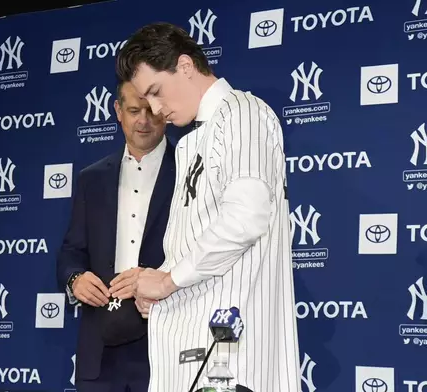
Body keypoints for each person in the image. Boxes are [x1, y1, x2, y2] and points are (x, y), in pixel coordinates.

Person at [115, 22, 301, 392]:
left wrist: (168, 282)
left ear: (185, 66)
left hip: (233, 351)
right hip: (192, 347)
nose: (153, 109)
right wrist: (165, 296)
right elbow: (195, 248)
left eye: (155, 92)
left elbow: (245, 218)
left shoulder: (242, 112)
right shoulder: (189, 143)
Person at [56, 78, 175, 392]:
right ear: (118, 111)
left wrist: (157, 278)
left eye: (150, 110)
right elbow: (72, 250)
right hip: (100, 346)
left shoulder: (189, 170)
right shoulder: (91, 179)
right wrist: (75, 279)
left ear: (165, 111)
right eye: (134, 110)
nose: (143, 120)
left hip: (166, 337)